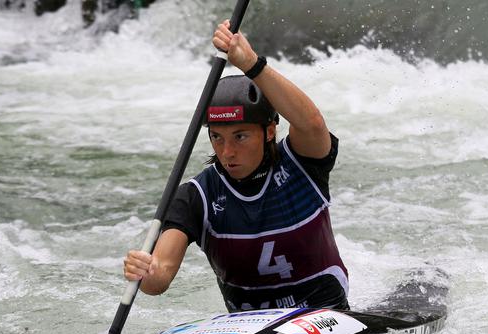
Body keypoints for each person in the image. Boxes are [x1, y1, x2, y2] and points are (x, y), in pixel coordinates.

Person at [123, 20, 349, 312]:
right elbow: (161, 275)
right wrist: (147, 273)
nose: (227, 151)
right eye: (217, 137)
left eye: (240, 136)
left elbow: (311, 123)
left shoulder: (302, 165)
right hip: (249, 333)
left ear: (269, 131)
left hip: (327, 317)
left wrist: (252, 65)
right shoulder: (197, 196)